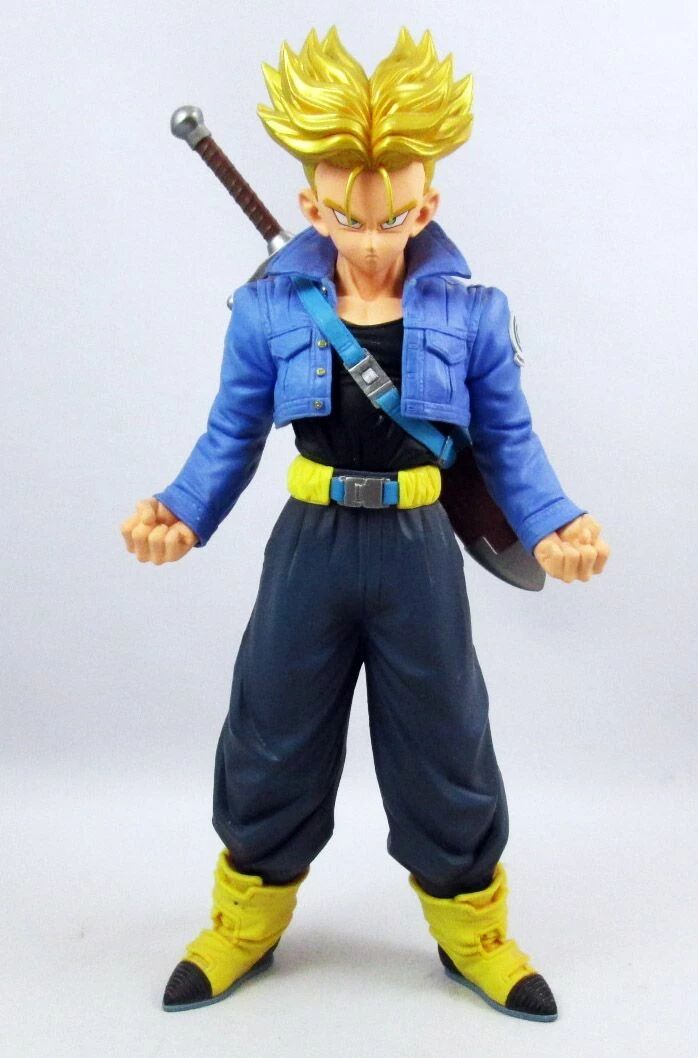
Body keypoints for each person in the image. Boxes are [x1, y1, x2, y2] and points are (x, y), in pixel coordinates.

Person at [121, 27, 609, 1021]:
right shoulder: (269, 308)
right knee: (271, 728)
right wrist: (179, 509)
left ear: (429, 204)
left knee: (444, 740)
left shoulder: (472, 313)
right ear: (312, 208)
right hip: (308, 545)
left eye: (397, 214)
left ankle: (473, 928)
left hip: (417, 551)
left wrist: (554, 522)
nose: (375, 235)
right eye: (349, 215)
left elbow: (509, 439)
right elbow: (230, 432)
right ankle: (244, 916)